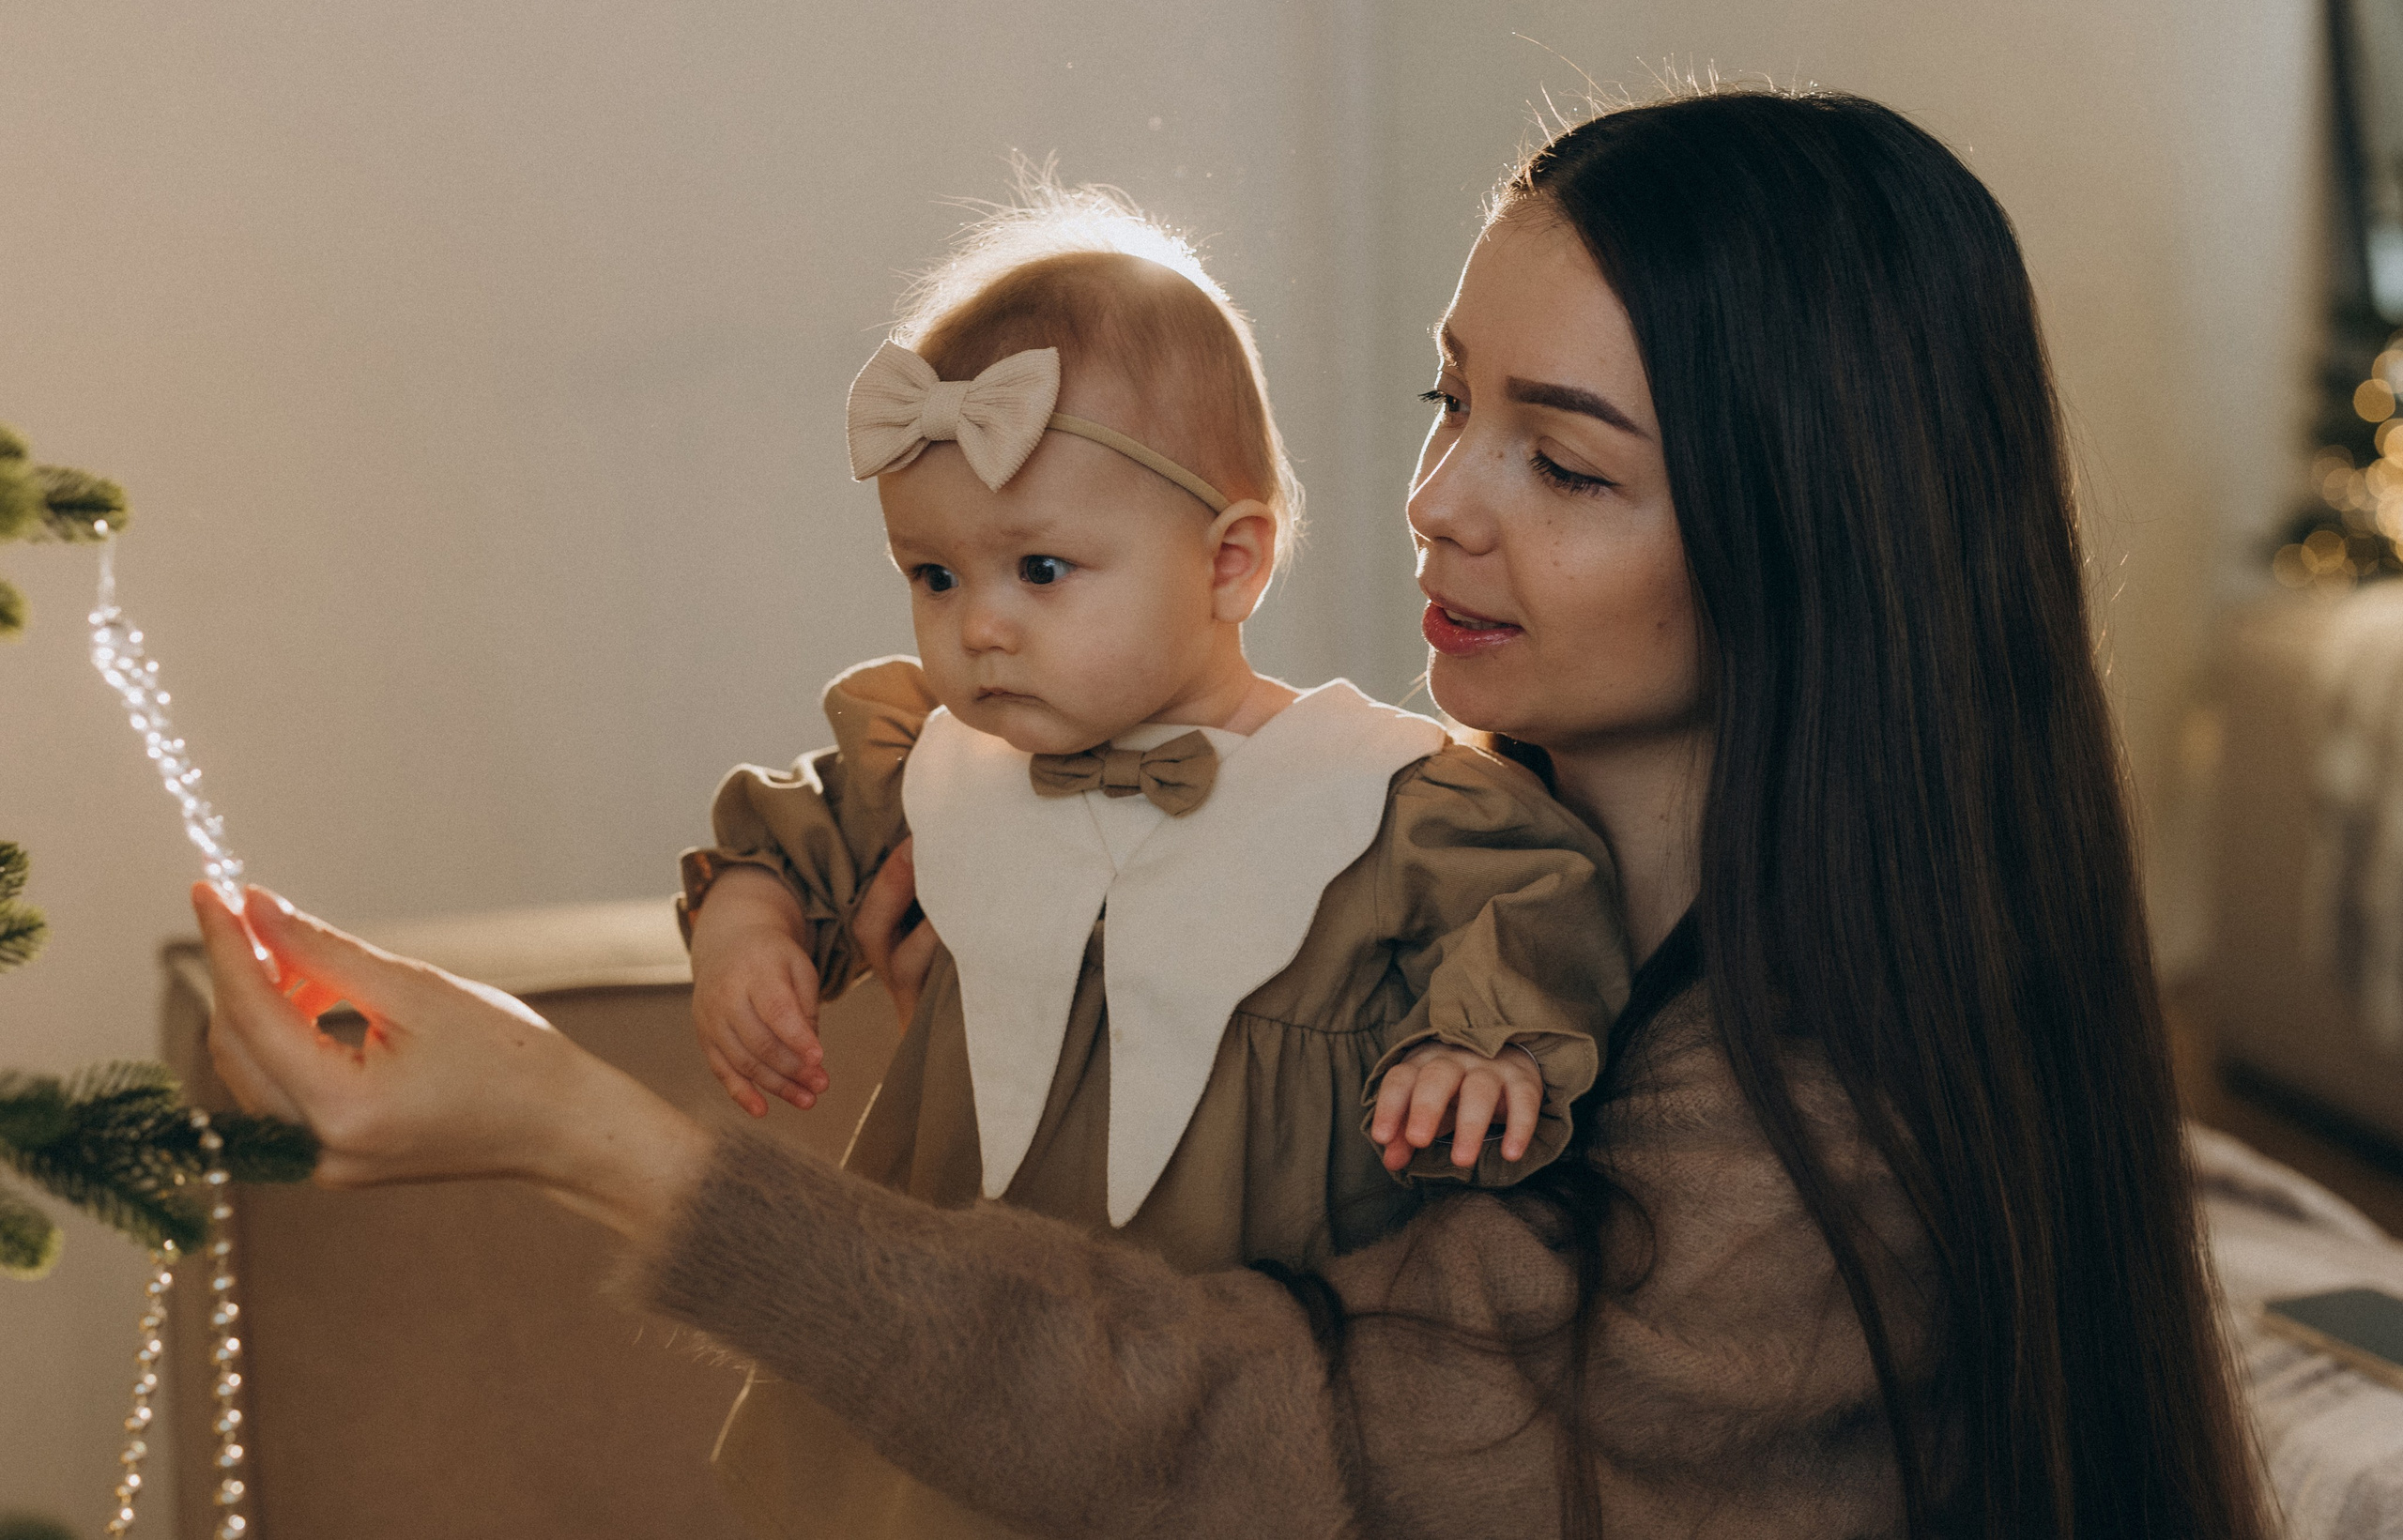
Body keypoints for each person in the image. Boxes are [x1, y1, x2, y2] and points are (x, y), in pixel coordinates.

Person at [192, 86, 2273, 1539]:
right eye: (1451, 399)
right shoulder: (1364, 843)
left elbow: (1272, 1421)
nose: (1437, 495)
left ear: (1811, 539)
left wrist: (580, 1134)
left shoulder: (1823, 1134)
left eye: (1563, 460)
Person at [676, 191, 1626, 1536]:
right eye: (933, 576)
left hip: (1224, 1398)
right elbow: (787, 837)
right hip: (967, 1351)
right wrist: (752, 933)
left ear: (1230, 562)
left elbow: (1529, 913)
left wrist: (1477, 1050)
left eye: (1042, 569)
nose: (979, 629)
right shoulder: (932, 761)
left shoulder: (1381, 799)